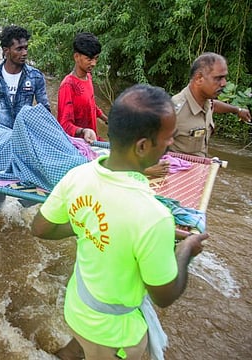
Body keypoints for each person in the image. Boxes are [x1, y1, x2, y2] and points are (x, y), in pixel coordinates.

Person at [31, 84, 208, 360]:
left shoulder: (78, 176)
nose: (171, 144)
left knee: (78, 348)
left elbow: (40, 228)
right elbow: (164, 296)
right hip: (115, 334)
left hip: (78, 308)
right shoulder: (154, 216)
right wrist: (185, 251)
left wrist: (85, 226)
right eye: (168, 138)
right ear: (142, 146)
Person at [171, 52, 251, 157]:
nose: (224, 83)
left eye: (224, 78)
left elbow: (214, 105)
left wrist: (237, 110)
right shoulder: (173, 112)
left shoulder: (206, 102)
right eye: (218, 78)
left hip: (202, 169)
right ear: (199, 78)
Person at [0, 25, 50, 129]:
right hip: (1, 133)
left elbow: (44, 108)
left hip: (25, 133)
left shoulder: (35, 77)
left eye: (26, 48)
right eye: (19, 49)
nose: (25, 53)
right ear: (6, 51)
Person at [58, 33, 108, 144]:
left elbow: (91, 104)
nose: (94, 63)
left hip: (91, 140)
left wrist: (107, 120)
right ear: (76, 57)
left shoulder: (88, 76)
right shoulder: (68, 86)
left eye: (96, 58)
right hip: (78, 144)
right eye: (89, 59)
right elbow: (64, 125)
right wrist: (83, 131)